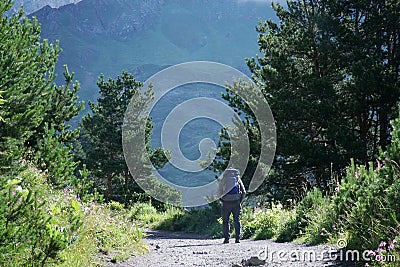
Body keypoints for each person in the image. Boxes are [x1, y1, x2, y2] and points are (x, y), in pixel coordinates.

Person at [218, 168, 246, 244]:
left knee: (225, 221)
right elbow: (244, 191)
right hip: (236, 202)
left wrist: (222, 200)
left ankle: (226, 238)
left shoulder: (224, 179)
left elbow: (219, 191)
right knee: (237, 220)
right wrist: (239, 200)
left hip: (226, 202)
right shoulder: (237, 178)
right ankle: (237, 238)